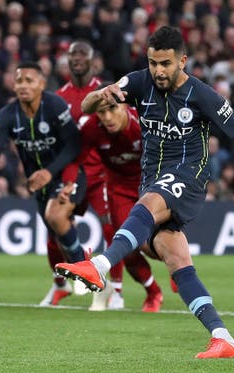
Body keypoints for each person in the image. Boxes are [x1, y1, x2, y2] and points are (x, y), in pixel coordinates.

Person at [55, 27, 234, 358]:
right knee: (171, 255)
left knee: (145, 206)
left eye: (165, 63)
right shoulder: (139, 82)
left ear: (182, 61)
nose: (158, 70)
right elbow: (86, 107)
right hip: (153, 178)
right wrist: (105, 93)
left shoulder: (202, 95)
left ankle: (99, 266)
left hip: (189, 176)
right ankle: (222, 336)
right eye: (153, 62)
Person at [56, 40, 162, 311]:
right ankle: (149, 290)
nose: (108, 117)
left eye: (113, 108)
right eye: (102, 111)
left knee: (157, 243)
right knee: (121, 239)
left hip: (149, 183)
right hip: (115, 185)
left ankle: (176, 271)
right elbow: (75, 156)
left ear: (126, 106)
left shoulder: (142, 126)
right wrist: (69, 181)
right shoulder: (92, 127)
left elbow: (164, 157)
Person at [0, 62, 87, 304]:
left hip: (67, 174)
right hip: (39, 183)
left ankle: (84, 269)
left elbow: (74, 144)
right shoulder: (6, 116)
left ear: (42, 84)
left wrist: (50, 170)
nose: (23, 85)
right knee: (54, 237)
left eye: (30, 80)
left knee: (56, 217)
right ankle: (61, 284)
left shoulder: (54, 105)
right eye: (19, 81)